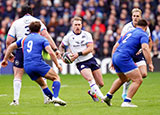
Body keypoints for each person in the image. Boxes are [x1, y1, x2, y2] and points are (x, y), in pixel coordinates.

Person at [1, 21, 66, 106]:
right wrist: (57, 65)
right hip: (37, 63)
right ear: (39, 30)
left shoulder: (24, 39)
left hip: (27, 66)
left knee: (43, 84)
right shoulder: (42, 39)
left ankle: (53, 99)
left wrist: (5, 59)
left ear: (30, 30)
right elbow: (50, 52)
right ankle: (56, 97)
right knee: (56, 78)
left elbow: (10, 47)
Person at [103, 19, 154, 107]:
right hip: (124, 57)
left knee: (123, 79)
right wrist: (150, 63)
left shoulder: (129, 32)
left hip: (116, 56)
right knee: (138, 80)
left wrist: (113, 60)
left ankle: (108, 96)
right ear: (146, 27)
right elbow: (145, 48)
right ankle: (126, 101)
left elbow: (115, 46)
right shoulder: (143, 34)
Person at [59, 16, 105, 102]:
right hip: (80, 62)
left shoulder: (87, 35)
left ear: (81, 25)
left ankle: (92, 92)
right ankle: (103, 98)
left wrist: (78, 54)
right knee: (90, 79)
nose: (77, 26)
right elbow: (61, 46)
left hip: (91, 59)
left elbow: (90, 48)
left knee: (101, 83)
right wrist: (62, 55)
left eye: (79, 24)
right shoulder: (68, 36)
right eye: (75, 25)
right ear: (72, 26)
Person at [116, 8, 153, 99]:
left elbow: (149, 41)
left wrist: (148, 51)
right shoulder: (127, 27)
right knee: (131, 76)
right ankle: (126, 91)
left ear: (140, 17)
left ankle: (130, 80)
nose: (135, 18)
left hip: (139, 53)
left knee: (144, 74)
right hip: (128, 53)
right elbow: (121, 42)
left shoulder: (145, 28)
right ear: (131, 17)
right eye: (134, 16)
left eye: (137, 16)